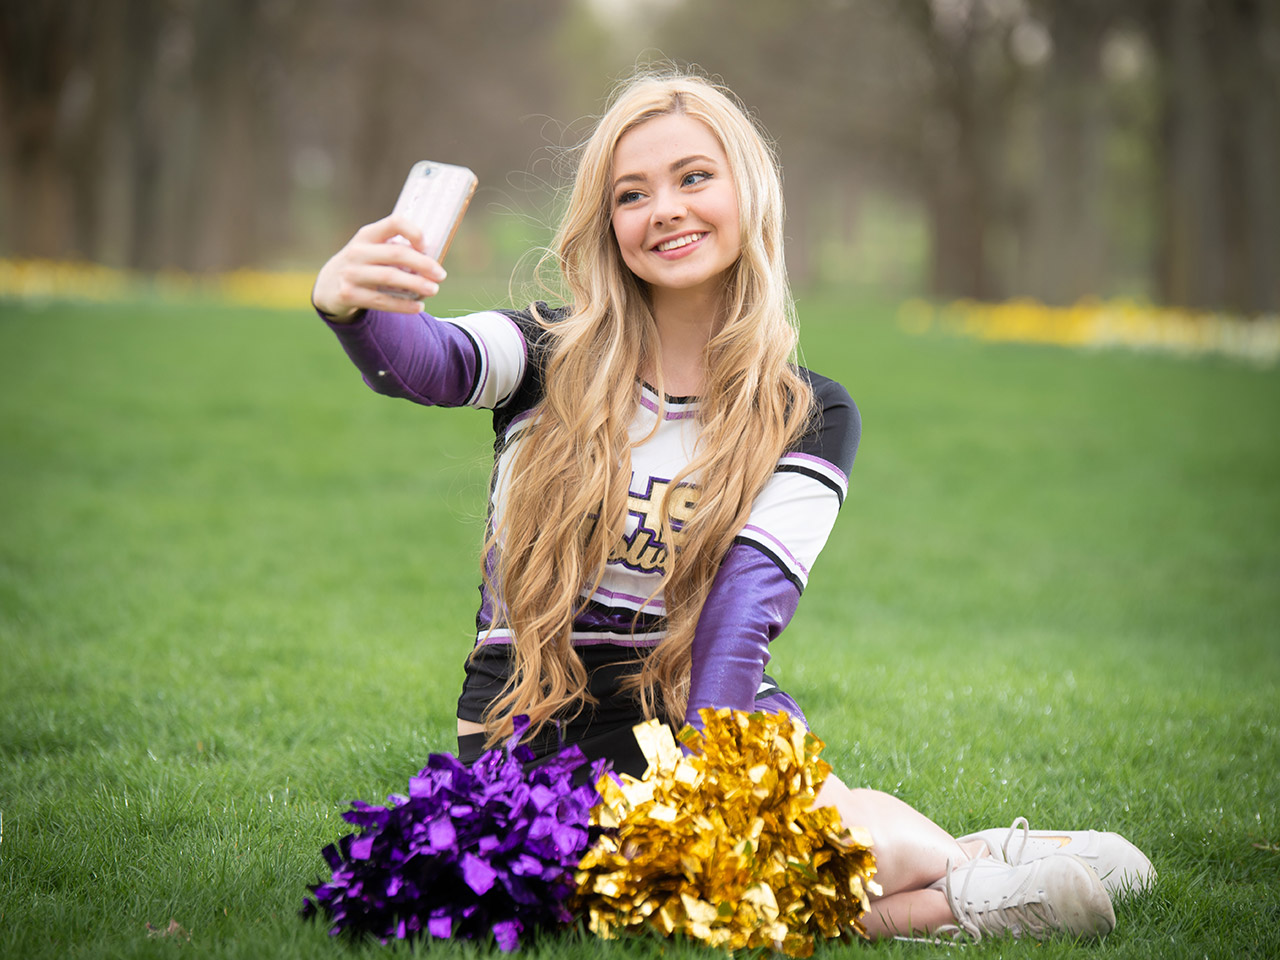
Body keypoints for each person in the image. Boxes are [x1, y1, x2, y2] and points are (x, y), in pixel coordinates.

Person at [311, 70, 1151, 942]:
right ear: (607, 225)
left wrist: (721, 802)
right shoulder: (538, 352)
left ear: (749, 192)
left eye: (693, 178)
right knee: (659, 909)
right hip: (533, 728)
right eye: (631, 194)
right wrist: (353, 306)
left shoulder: (809, 411)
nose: (663, 208)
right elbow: (426, 360)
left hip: (708, 706)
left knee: (723, 875)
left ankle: (950, 874)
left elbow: (742, 614)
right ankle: (977, 877)